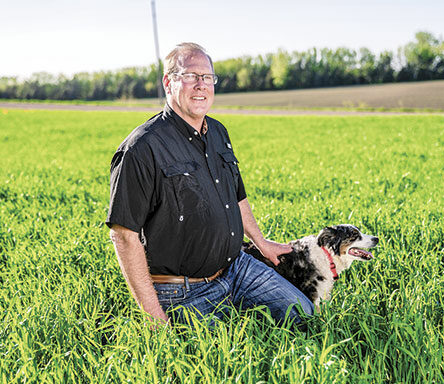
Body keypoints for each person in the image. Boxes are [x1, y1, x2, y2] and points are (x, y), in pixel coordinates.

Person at [106, 42, 313, 327]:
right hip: (182, 290)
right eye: (190, 76)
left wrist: (260, 242)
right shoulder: (142, 148)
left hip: (237, 267)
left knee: (303, 315)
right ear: (169, 82)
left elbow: (236, 195)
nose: (200, 85)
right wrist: (154, 318)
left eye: (207, 77)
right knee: (220, 360)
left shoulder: (218, 132)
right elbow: (124, 235)